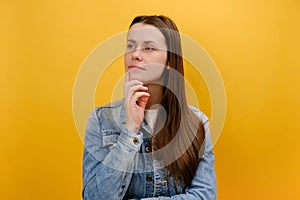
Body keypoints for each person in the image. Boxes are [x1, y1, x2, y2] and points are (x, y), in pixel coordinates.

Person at [82, 15, 216, 200]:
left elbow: (205, 196)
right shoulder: (101, 121)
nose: (135, 54)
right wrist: (130, 131)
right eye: (130, 46)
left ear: (169, 61)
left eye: (149, 48)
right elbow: (94, 197)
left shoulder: (197, 123)